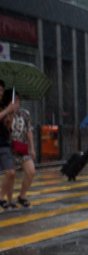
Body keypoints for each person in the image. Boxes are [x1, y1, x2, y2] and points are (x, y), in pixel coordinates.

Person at [8, 94, 36, 207]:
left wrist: (32, 148)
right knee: (11, 175)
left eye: (17, 100)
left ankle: (22, 196)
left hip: (22, 147)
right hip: (9, 148)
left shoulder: (25, 114)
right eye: (14, 100)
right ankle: (9, 200)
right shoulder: (5, 113)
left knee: (31, 171)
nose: (16, 102)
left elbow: (29, 131)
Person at [0, 82, 21, 210]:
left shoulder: (3, 106)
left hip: (3, 143)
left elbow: (8, 127)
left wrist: (10, 118)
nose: (0, 93)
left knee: (11, 172)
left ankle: (2, 198)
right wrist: (7, 110)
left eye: (2, 90)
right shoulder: (5, 108)